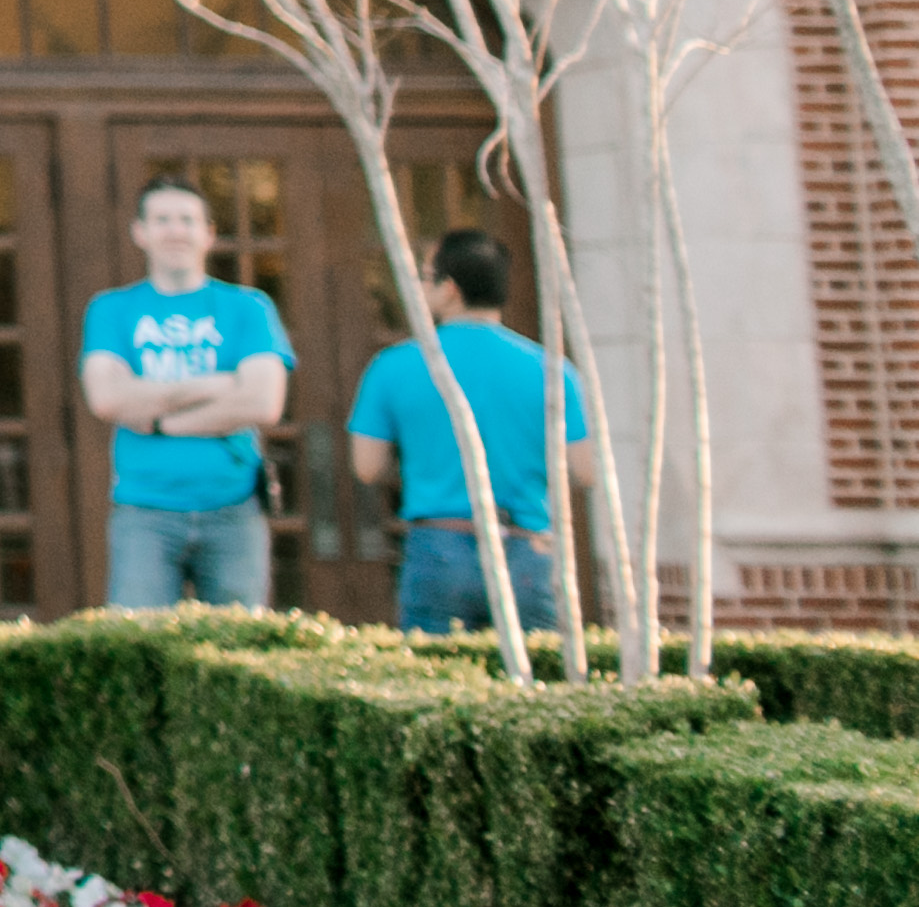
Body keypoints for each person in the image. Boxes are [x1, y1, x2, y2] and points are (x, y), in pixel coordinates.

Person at [348, 226, 597, 637]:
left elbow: (367, 467)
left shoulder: (394, 366)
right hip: (528, 545)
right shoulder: (553, 371)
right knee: (535, 690)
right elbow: (586, 471)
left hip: (440, 544)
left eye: (426, 278)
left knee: (438, 686)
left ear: (450, 289)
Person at [78, 175, 291, 610]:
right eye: (162, 220)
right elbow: (106, 398)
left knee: (240, 646)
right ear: (140, 232)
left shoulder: (248, 307)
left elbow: (263, 402)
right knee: (138, 647)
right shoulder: (111, 309)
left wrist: (159, 420)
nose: (175, 230)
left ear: (208, 233)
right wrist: (215, 384)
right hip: (144, 509)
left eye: (187, 220)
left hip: (234, 506)